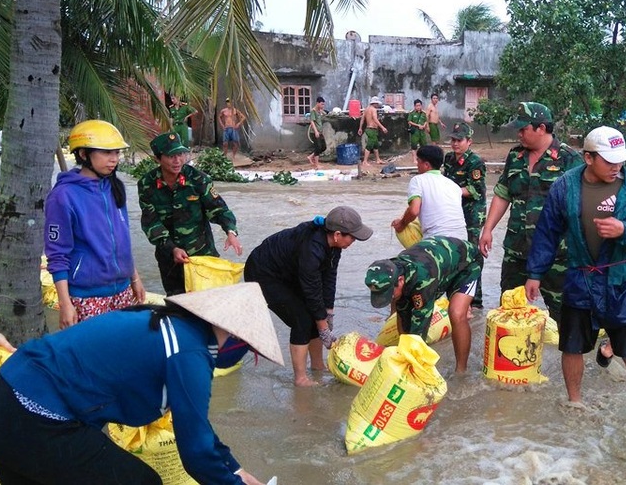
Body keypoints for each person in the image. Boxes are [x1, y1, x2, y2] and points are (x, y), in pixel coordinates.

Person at [0, 283, 283, 484]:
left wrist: (235, 468)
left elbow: (197, 427)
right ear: (236, 337)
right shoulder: (188, 351)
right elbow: (195, 453)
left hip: (3, 397)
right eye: (250, 351)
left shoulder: (169, 324)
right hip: (34, 414)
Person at [525, 126, 626, 417]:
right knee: (572, 344)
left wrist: (624, 229)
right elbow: (547, 233)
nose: (617, 166)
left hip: (620, 280)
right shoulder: (565, 186)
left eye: (620, 160)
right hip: (580, 275)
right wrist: (535, 273)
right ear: (588, 158)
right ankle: (574, 402)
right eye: (609, 160)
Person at [245, 206, 372, 387]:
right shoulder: (312, 249)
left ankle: (318, 365)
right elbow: (311, 290)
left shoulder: (334, 246)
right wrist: (323, 328)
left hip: (289, 272)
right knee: (302, 319)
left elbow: (329, 277)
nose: (354, 240)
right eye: (352, 236)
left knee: (316, 315)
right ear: (337, 234)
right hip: (263, 274)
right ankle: (300, 378)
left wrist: (328, 312)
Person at [479, 102, 580, 322]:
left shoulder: (569, 159)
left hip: (557, 255)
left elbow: (581, 207)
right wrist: (487, 229)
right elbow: (503, 193)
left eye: (524, 129)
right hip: (517, 251)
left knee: (565, 318)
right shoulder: (515, 157)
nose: (519, 134)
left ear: (541, 128)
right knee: (510, 314)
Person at [45, 120, 145, 328]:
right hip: (88, 297)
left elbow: (122, 238)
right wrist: (65, 303)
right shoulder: (63, 196)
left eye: (116, 153)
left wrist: (134, 278)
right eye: (107, 153)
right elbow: (57, 254)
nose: (114, 159)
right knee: (94, 357)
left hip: (123, 290)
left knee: (123, 352)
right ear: (83, 154)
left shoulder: (114, 187)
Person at [138, 132, 242, 296]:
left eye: (180, 154)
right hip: (169, 258)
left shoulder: (198, 179)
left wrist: (230, 232)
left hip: (202, 256)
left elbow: (218, 208)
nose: (177, 160)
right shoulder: (146, 184)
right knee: (177, 303)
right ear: (158, 159)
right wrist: (172, 249)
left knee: (207, 304)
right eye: (171, 156)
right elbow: (151, 222)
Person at [365, 236, 480, 373]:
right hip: (438, 262)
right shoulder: (390, 271)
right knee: (402, 307)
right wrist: (402, 354)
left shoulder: (423, 282)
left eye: (389, 293)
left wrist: (410, 368)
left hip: (467, 262)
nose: (388, 298)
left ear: (400, 281)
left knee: (456, 313)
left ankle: (461, 372)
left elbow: (419, 332)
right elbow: (403, 315)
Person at [442, 122, 487, 310]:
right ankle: (454, 295)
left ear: (469, 141)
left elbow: (475, 190)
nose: (455, 144)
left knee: (471, 254)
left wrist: (449, 191)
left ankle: (475, 300)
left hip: (472, 213)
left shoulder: (475, 162)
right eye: (453, 140)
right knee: (453, 253)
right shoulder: (449, 158)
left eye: (459, 140)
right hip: (454, 212)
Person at [392, 145, 467, 241]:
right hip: (463, 241)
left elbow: (414, 210)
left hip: (437, 241)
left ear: (426, 165)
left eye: (418, 161)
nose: (417, 165)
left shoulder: (418, 180)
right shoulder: (453, 185)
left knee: (404, 229)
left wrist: (401, 224)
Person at [358, 96, 388, 166]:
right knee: (369, 145)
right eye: (377, 104)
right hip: (371, 129)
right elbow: (375, 119)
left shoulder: (366, 109)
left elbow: (362, 119)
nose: (377, 105)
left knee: (375, 145)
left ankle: (378, 159)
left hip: (369, 129)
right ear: (374, 103)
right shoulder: (373, 109)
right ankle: (365, 161)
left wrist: (360, 128)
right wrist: (382, 127)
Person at [306, 96, 327, 169]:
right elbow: (312, 122)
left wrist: (322, 111)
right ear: (317, 103)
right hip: (314, 132)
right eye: (321, 104)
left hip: (320, 132)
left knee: (323, 147)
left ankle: (310, 157)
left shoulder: (319, 111)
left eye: (323, 104)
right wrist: (316, 131)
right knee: (318, 147)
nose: (322, 106)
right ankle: (316, 165)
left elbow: (325, 115)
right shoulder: (313, 111)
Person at [407, 99, 430, 164]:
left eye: (419, 105)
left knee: (424, 145)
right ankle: (414, 159)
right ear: (414, 106)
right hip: (415, 132)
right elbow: (409, 121)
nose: (418, 107)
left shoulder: (424, 113)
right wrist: (418, 125)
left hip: (422, 132)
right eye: (417, 106)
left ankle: (423, 158)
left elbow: (426, 120)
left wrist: (424, 125)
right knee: (414, 146)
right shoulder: (412, 113)